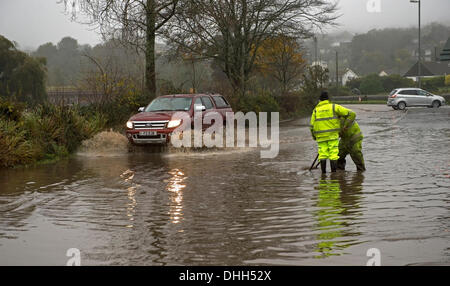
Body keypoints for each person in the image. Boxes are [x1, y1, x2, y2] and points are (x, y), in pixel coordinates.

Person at [310, 91, 355, 173]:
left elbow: (312, 126)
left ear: (319, 100)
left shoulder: (316, 110)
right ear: (328, 99)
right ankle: (333, 175)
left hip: (320, 137)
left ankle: (323, 175)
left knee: (322, 154)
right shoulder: (334, 107)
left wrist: (314, 136)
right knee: (333, 154)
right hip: (332, 136)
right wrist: (345, 127)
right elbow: (351, 114)